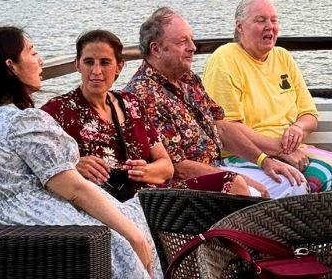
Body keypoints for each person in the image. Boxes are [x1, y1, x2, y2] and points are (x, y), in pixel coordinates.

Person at [0, 23, 160, 279]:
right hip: (64, 235)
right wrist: (133, 236)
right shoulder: (22, 121)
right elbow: (75, 190)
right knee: (143, 221)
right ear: (12, 65)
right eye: (32, 53)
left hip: (20, 238)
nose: (40, 60)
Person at [124, 7, 307, 199]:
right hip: (183, 188)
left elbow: (221, 128)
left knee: (294, 183)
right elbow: (177, 168)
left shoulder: (187, 78)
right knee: (252, 193)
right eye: (182, 42)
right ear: (156, 49)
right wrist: (236, 179)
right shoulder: (144, 96)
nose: (193, 47)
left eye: (191, 39)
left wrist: (264, 161)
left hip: (217, 168)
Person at [42, 30, 247, 195]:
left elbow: (166, 167)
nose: (96, 71)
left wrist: (144, 171)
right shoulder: (57, 111)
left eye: (105, 62)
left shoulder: (131, 104)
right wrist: (73, 166)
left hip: (154, 197)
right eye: (89, 62)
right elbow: (34, 164)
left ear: (119, 67)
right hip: (108, 206)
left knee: (234, 184)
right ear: (77, 64)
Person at [203, 0, 332, 192]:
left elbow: (309, 115)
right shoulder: (225, 58)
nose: (269, 26)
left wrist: (298, 128)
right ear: (240, 27)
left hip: (288, 150)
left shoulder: (283, 57)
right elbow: (227, 128)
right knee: (297, 182)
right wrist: (280, 150)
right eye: (260, 20)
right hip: (243, 154)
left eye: (274, 20)